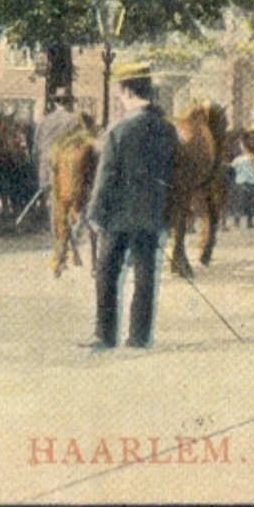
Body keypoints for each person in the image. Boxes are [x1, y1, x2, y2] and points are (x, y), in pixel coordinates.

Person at [81, 62, 179, 350]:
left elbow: (106, 175)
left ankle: (105, 335)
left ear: (126, 92)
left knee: (107, 272)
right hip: (151, 216)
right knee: (146, 275)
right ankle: (139, 337)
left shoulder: (119, 131)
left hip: (118, 218)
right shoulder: (167, 130)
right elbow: (175, 174)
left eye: (120, 95)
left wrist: (95, 214)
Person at [33, 91, 80, 228]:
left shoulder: (44, 121)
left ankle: (53, 222)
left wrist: (39, 162)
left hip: (47, 162)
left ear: (55, 103)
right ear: (69, 103)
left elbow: (36, 146)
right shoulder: (74, 120)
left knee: (50, 194)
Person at [228, 137, 254, 229]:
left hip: (242, 182)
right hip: (249, 183)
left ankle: (240, 220)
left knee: (240, 203)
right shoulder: (249, 158)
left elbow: (230, 169)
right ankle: (247, 221)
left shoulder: (244, 159)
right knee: (248, 203)